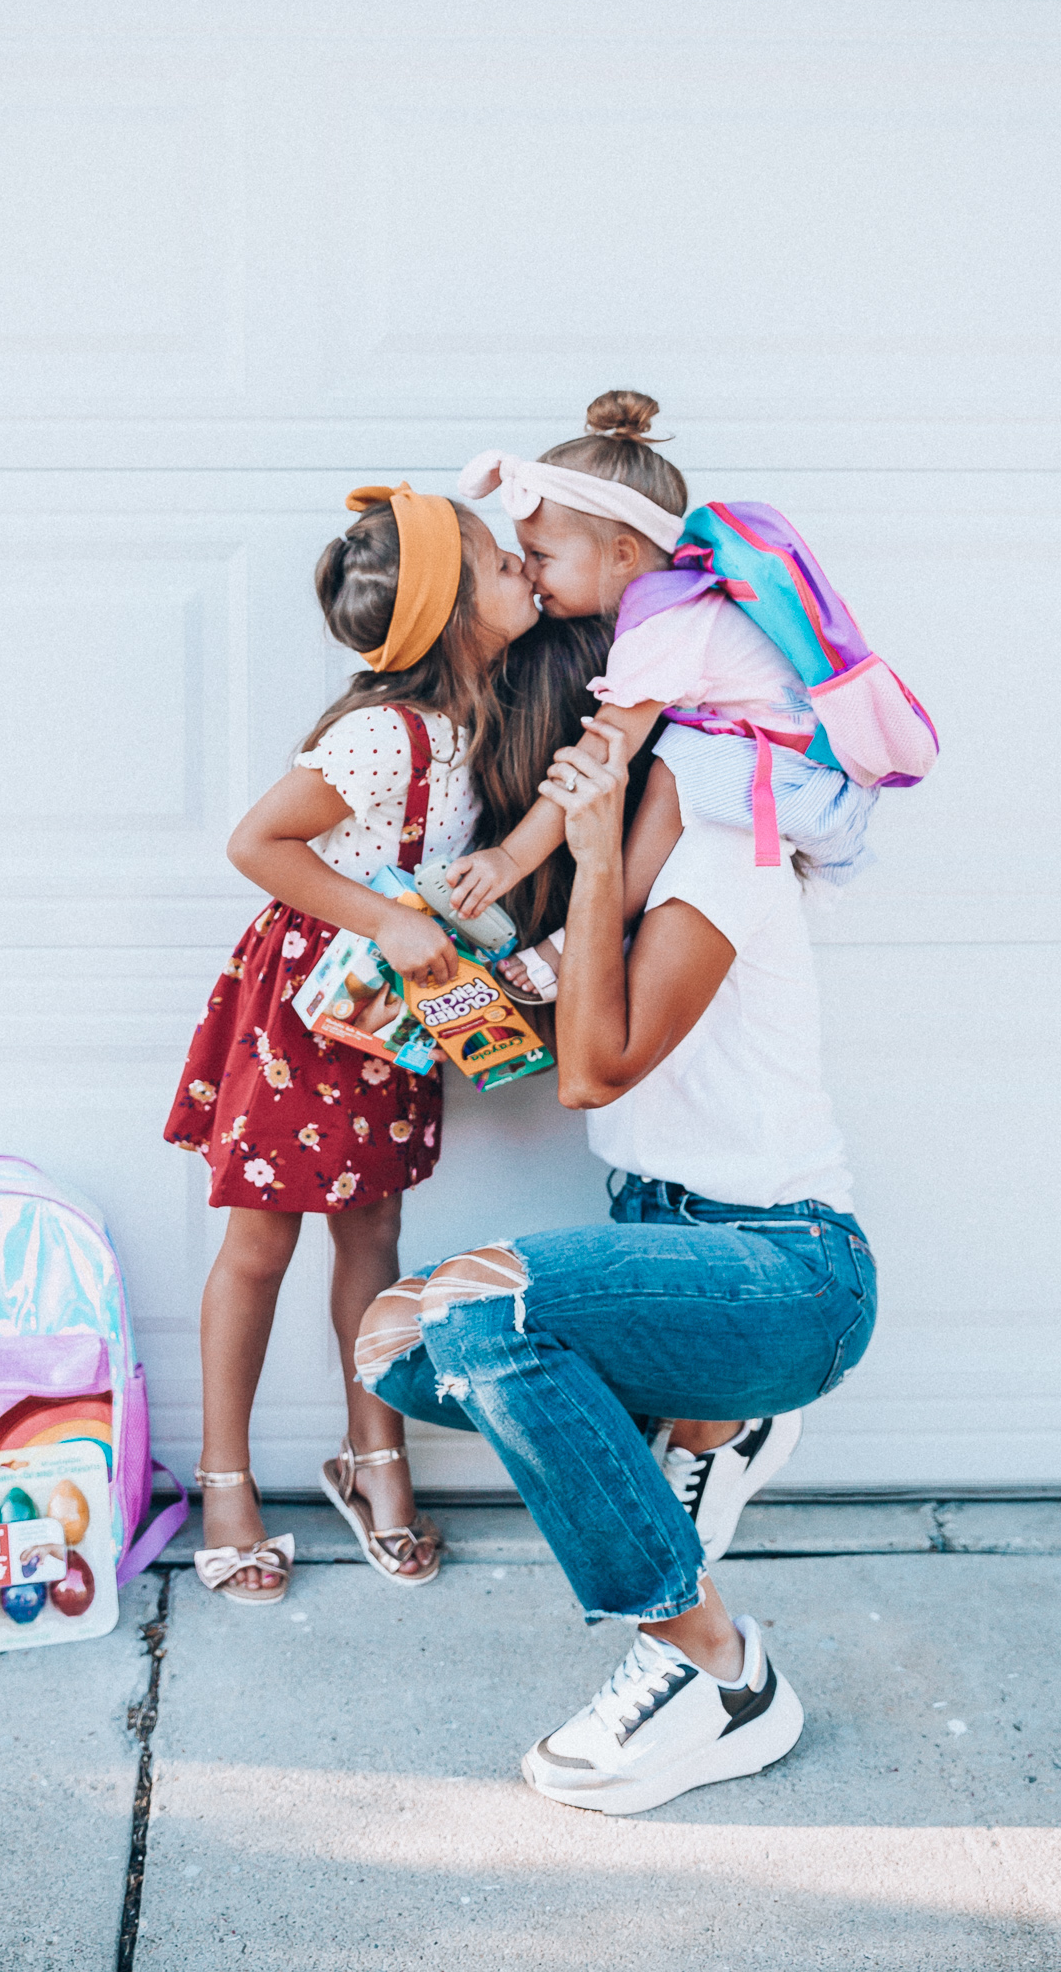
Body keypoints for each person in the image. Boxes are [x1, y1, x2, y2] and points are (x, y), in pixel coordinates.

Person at [355, 712, 878, 1814]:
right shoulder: (627, 887)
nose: (560, 777)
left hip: (788, 1269)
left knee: (486, 1317)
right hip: (666, 1236)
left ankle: (714, 1670)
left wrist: (592, 860)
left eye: (581, 756)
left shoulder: (724, 862)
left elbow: (594, 1072)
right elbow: (557, 1042)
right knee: (394, 1343)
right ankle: (709, 1420)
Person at [163, 483, 539, 1605]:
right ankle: (223, 1480)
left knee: (372, 1226)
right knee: (261, 1242)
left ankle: (372, 1454)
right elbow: (256, 842)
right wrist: (383, 915)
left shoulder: (476, 718)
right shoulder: (381, 732)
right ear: (455, 607)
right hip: (307, 1012)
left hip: (388, 1015)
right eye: (501, 560)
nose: (525, 565)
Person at [446, 390, 877, 1011]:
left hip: (800, 787)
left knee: (677, 761)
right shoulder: (683, 600)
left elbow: (597, 761)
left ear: (622, 555)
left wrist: (510, 859)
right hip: (794, 776)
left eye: (541, 556)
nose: (528, 572)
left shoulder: (664, 628)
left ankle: (580, 940)